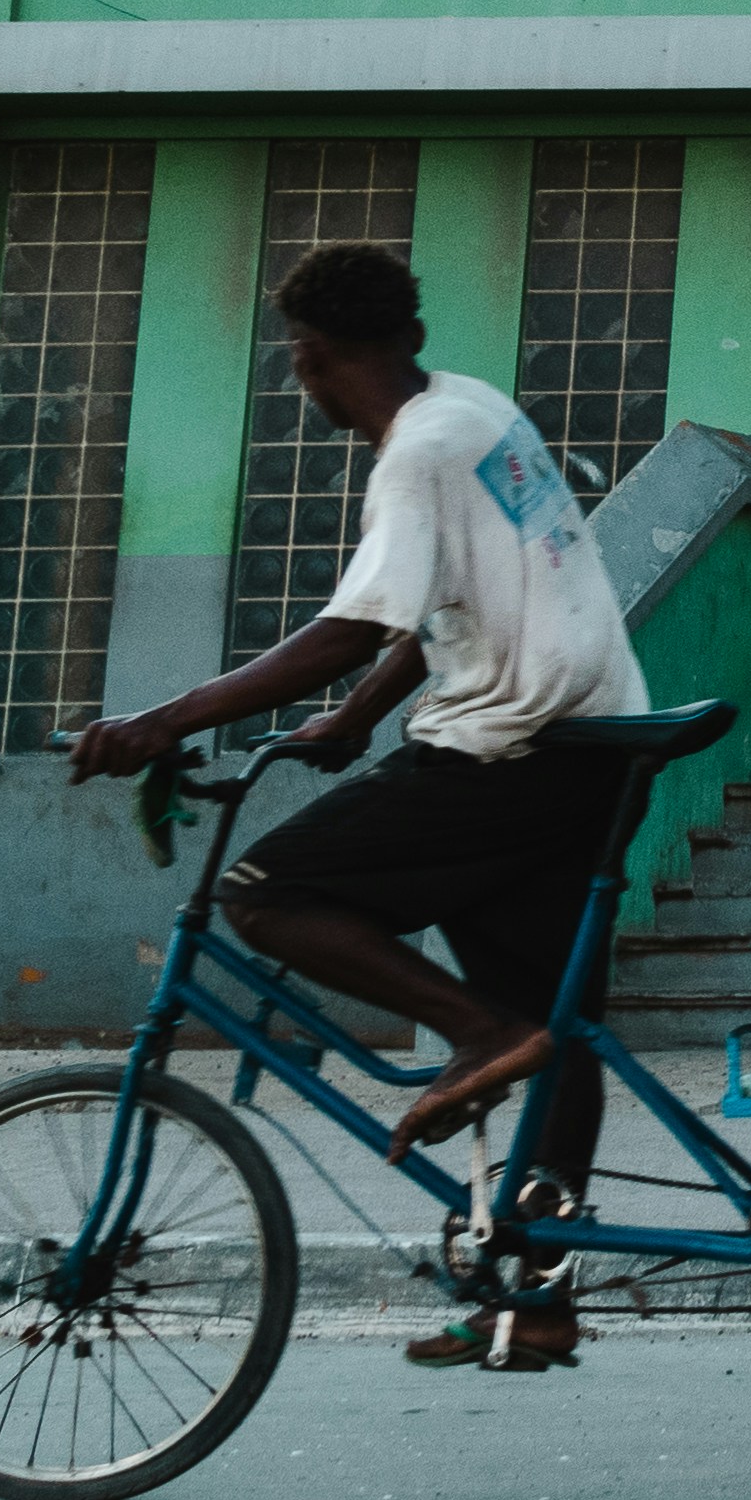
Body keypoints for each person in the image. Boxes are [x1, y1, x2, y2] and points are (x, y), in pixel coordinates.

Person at [66, 241, 649, 1370]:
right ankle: (536, 1301)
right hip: (589, 745)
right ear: (410, 334)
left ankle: (479, 1034)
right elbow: (442, 607)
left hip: (506, 750)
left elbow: (346, 629)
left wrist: (161, 721)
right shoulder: (474, 410)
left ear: (307, 357)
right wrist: (353, 718)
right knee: (556, 1030)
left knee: (267, 895)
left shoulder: (415, 454)